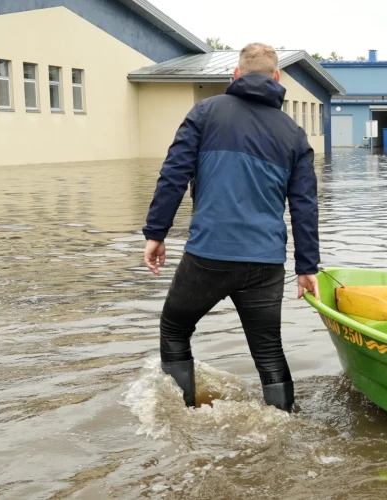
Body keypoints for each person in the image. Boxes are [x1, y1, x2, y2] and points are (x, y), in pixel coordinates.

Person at [141, 43, 319, 413]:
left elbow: (174, 175)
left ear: (235, 75)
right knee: (268, 350)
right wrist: (307, 267)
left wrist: (156, 233)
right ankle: (284, 424)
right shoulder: (293, 134)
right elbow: (304, 206)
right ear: (278, 77)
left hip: (209, 254)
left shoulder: (206, 112)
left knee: (175, 329)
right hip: (266, 262)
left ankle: (183, 421)